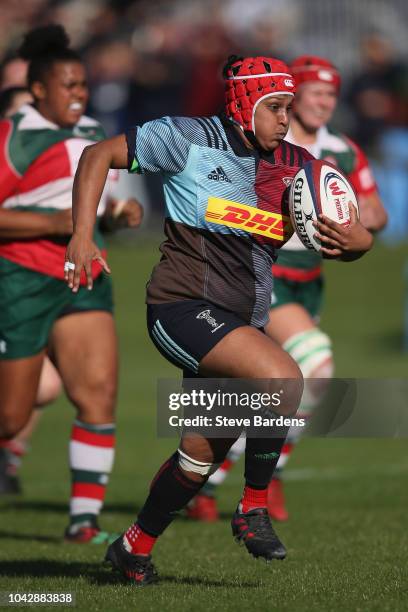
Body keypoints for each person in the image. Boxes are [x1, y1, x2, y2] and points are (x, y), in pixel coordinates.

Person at [65, 54, 373, 585]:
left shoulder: (299, 164)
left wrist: (356, 243)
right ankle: (253, 506)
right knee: (281, 378)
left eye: (289, 107)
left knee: (197, 458)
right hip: (180, 306)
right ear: (243, 104)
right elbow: (96, 155)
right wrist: (82, 233)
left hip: (240, 320)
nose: (285, 117)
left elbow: (356, 231)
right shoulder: (186, 137)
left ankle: (132, 548)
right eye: (275, 106)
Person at [187, 54, 387, 524]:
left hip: (309, 283)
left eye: (331, 94)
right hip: (265, 275)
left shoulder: (342, 151)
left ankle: (210, 480)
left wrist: (355, 220)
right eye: (315, 93)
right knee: (315, 367)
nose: (324, 102)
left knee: (265, 389)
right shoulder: (272, 142)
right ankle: (263, 478)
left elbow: (374, 213)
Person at [0, 25, 143, 541]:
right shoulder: (13, 135)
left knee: (98, 394)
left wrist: (114, 217)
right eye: (69, 85)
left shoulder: (92, 135)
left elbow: (90, 213)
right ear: (38, 89)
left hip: (83, 278)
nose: (79, 94)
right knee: (11, 419)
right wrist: (54, 225)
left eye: (83, 84)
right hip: (21, 281)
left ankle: (84, 521)